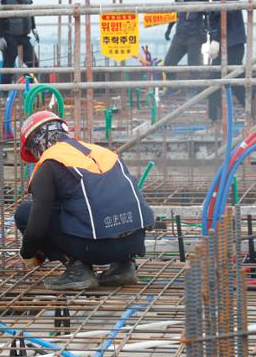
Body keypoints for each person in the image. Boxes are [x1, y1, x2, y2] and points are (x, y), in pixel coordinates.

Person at [14, 111, 155, 290]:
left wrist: (27, 254)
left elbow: (36, 227)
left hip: (96, 249)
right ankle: (123, 266)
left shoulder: (49, 164)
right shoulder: (103, 153)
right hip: (134, 243)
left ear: (36, 142)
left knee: (25, 213)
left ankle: (77, 269)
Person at [191, 0, 256, 122]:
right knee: (232, 79)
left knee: (224, 80)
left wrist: (215, 40)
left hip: (230, 44)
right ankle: (253, 114)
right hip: (230, 42)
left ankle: (219, 119)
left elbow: (223, 18)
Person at [163, 0, 209, 94]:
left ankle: (195, 91)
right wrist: (169, 28)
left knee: (194, 66)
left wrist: (206, 31)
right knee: (169, 63)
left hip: (195, 35)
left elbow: (209, 15)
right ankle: (172, 87)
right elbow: (175, 12)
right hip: (180, 34)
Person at [0, 0, 39, 85]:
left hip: (24, 34)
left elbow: (31, 11)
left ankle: (29, 87)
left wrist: (33, 28)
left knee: (34, 63)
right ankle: (5, 93)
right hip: (9, 35)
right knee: (9, 64)